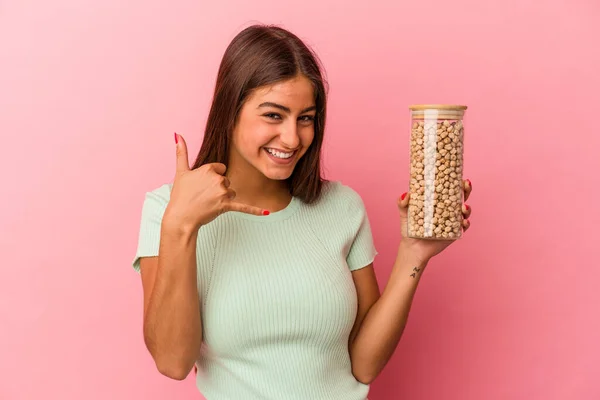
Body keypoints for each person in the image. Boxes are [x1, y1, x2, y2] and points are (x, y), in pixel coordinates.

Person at [131, 24, 473, 400]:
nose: (293, 139)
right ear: (230, 110)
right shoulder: (166, 209)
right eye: (274, 116)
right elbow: (172, 362)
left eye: (305, 118)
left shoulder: (341, 207)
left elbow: (364, 364)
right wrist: (181, 225)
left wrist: (414, 252)